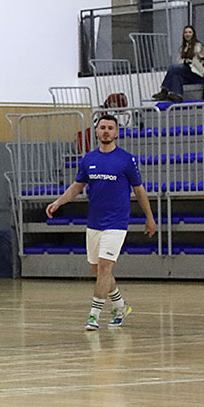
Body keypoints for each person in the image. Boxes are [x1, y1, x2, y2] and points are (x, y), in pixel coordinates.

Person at [44, 112, 157, 330]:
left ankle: (93, 316)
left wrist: (149, 217)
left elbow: (139, 190)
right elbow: (77, 186)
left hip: (116, 223)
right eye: (102, 128)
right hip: (94, 222)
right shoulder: (88, 159)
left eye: (110, 128)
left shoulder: (126, 160)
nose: (106, 131)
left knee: (105, 268)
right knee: (97, 269)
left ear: (116, 133)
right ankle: (120, 305)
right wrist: (58, 202)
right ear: (96, 132)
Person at [154, 24, 204, 102]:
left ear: (193, 34)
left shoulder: (198, 46)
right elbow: (178, 61)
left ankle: (164, 91)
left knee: (173, 68)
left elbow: (201, 60)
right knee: (176, 75)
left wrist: (194, 59)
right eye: (185, 32)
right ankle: (177, 95)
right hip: (186, 71)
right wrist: (184, 61)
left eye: (190, 32)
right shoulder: (182, 48)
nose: (187, 34)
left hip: (196, 72)